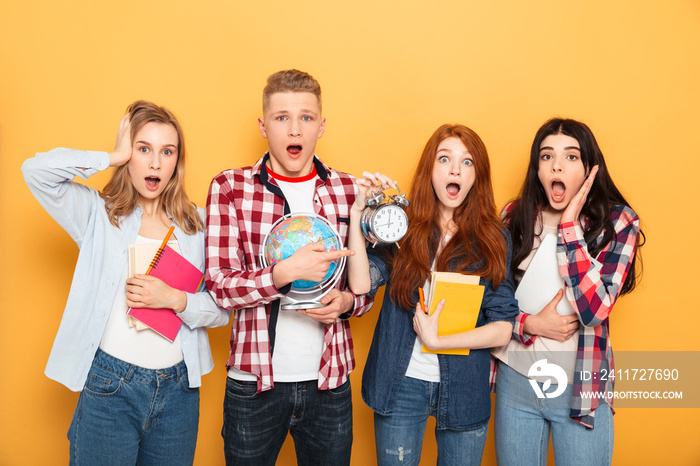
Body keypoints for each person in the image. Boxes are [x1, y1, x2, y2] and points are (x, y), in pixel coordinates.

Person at [21, 100, 230, 465]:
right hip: (110, 387)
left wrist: (177, 299)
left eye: (167, 152)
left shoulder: (198, 224)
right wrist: (112, 154)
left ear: (176, 163)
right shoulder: (98, 215)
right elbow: (35, 171)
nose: (154, 163)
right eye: (143, 149)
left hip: (180, 390)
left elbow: (222, 310)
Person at [205, 69, 373, 466]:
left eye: (306, 117)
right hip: (254, 386)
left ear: (322, 125)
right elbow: (219, 285)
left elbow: (368, 283)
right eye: (282, 118)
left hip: (329, 384)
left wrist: (347, 303)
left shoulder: (349, 190)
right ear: (263, 126)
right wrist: (281, 274)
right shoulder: (231, 187)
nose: (294, 130)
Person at [347, 124, 519, 466]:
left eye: (467, 162)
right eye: (445, 159)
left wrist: (439, 340)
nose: (455, 170)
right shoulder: (403, 227)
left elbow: (503, 329)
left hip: (463, 390)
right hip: (400, 385)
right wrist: (357, 215)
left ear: (477, 177)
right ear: (430, 169)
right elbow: (361, 285)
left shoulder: (495, 238)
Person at [491, 118, 644, 465]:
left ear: (590, 169)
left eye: (570, 157)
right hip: (516, 381)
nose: (557, 164)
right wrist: (527, 324)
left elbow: (593, 311)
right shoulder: (514, 217)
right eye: (547, 156)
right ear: (537, 169)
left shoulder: (618, 223)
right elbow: (493, 303)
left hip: (579, 384)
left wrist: (570, 227)